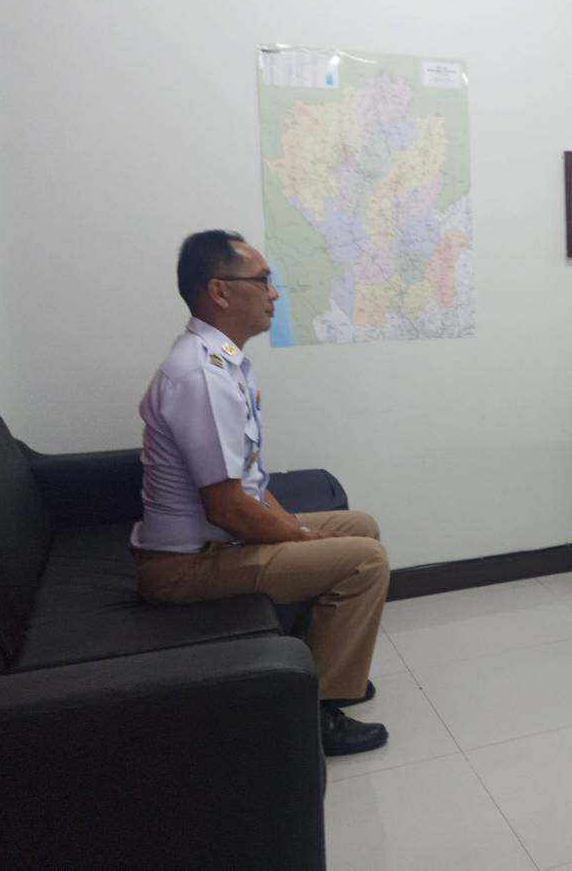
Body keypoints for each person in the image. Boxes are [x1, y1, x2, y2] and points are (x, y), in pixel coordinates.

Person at [131, 230, 392, 756]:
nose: (274, 293)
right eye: (263, 280)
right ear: (220, 291)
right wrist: (300, 538)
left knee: (359, 525)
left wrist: (295, 528)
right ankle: (315, 713)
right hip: (185, 566)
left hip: (219, 543)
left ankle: (330, 669)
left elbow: (249, 481)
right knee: (365, 561)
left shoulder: (223, 362)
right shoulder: (201, 376)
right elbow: (227, 508)